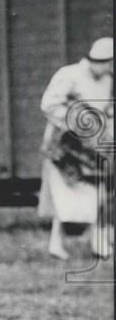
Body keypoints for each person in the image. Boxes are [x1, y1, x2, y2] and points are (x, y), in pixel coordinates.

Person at [38, 37, 114, 260]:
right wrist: (77, 122)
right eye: (109, 63)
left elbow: (107, 110)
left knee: (95, 192)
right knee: (64, 194)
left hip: (91, 148)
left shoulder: (107, 80)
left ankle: (97, 243)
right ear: (99, 60)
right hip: (64, 144)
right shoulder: (69, 74)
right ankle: (56, 244)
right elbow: (49, 104)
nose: (111, 68)